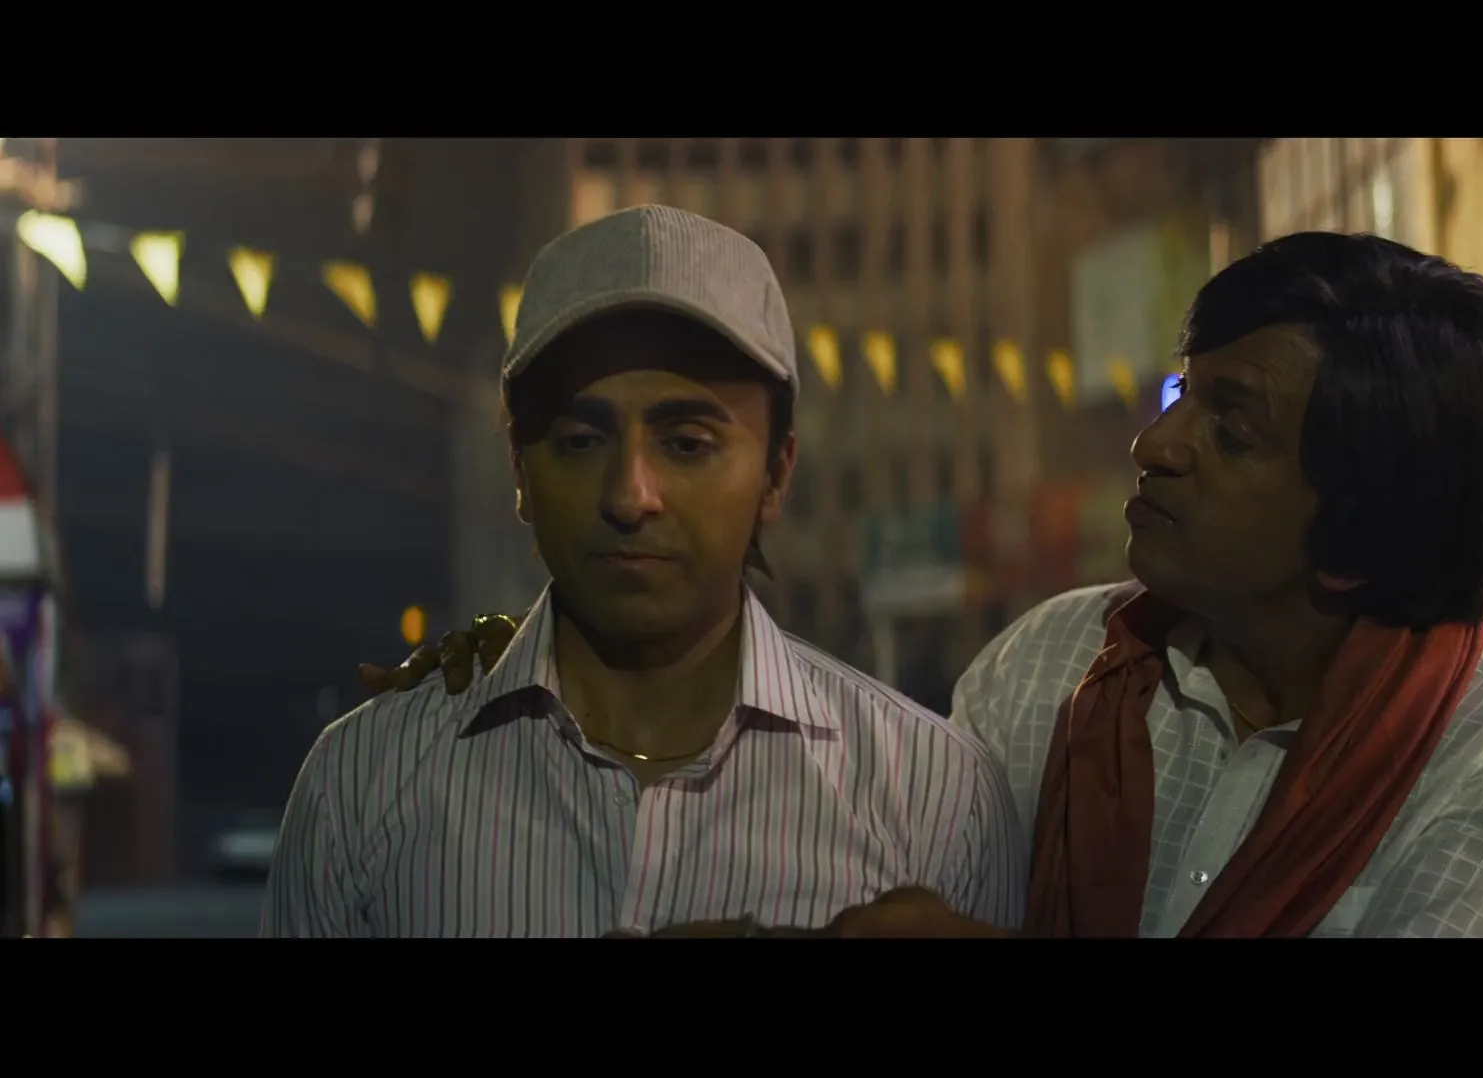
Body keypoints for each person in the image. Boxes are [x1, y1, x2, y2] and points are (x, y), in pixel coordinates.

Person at [366, 231, 1483, 938]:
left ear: (1351, 534)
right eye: (1180, 395)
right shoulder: (1054, 672)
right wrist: (549, 658)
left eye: (1230, 430)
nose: (1155, 444)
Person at [265, 205, 1026, 938]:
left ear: (776, 472)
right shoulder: (362, 784)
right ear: (520, 469)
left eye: (687, 443)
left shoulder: (934, 797)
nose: (630, 497)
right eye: (579, 440)